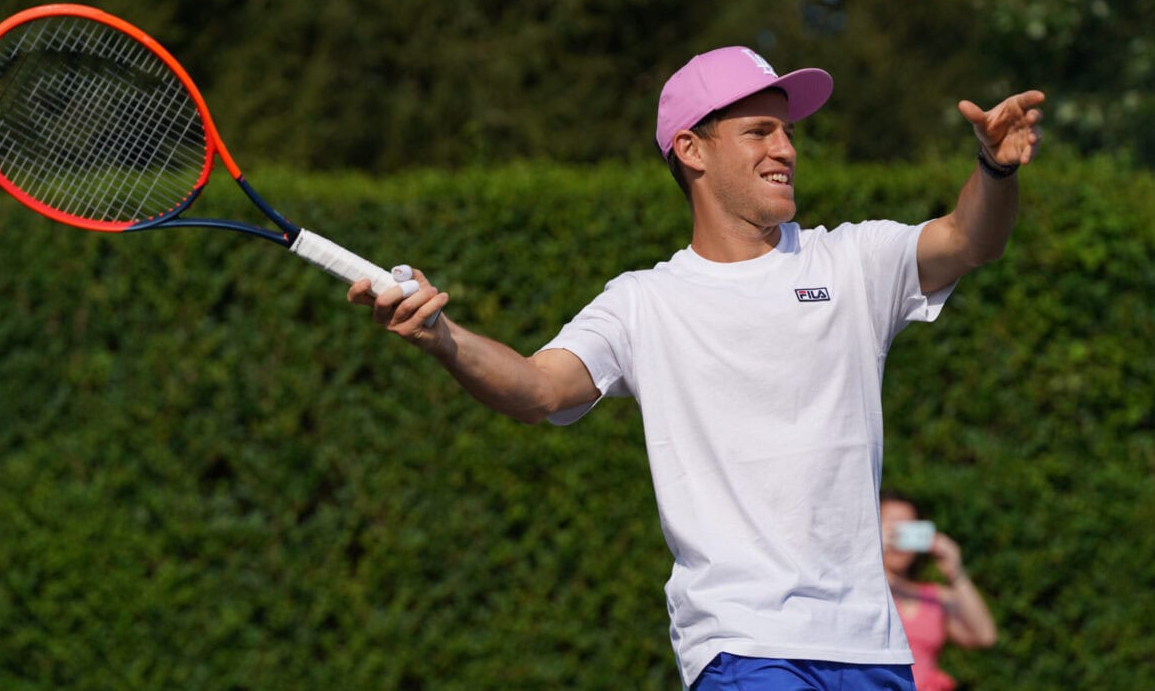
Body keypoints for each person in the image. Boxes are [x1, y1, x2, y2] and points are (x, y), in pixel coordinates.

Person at [346, 45, 1043, 690]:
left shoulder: (855, 260)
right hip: (744, 644)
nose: (787, 148)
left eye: (787, 131)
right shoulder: (642, 303)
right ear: (691, 149)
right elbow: (536, 388)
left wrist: (995, 169)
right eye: (759, 131)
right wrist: (442, 336)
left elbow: (969, 237)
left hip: (873, 649)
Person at [880, 492, 998, 691]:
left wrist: (956, 573)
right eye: (892, 527)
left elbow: (984, 636)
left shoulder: (933, 597)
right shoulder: (862, 591)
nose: (899, 537)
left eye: (908, 528)